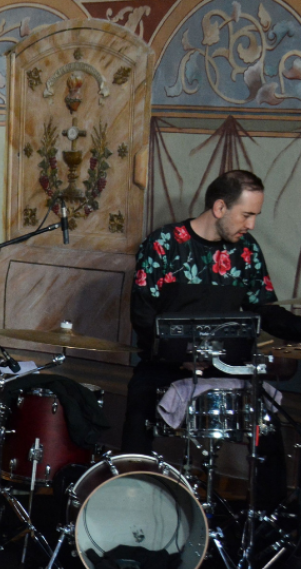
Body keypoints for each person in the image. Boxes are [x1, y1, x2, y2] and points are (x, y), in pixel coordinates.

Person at [124, 169, 301, 506]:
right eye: (246, 215)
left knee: (270, 424)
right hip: (168, 365)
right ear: (220, 208)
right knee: (139, 404)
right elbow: (143, 316)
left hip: (228, 368)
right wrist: (177, 357)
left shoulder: (246, 250)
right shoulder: (163, 244)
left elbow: (265, 309)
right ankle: (132, 499)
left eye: (254, 216)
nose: (251, 225)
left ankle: (267, 521)